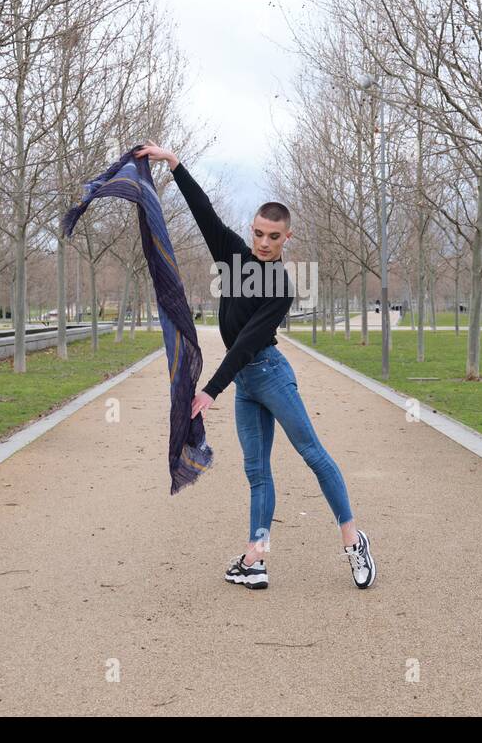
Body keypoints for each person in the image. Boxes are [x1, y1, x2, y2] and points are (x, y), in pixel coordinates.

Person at [134, 141, 375, 592]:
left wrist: (210, 390)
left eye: (274, 236)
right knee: (257, 471)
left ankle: (353, 541)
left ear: (288, 239)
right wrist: (175, 165)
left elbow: (245, 344)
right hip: (246, 383)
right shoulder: (231, 254)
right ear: (252, 230)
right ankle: (256, 558)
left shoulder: (280, 286)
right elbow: (202, 210)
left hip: (268, 374)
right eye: (259, 233)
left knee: (312, 454)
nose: (264, 243)